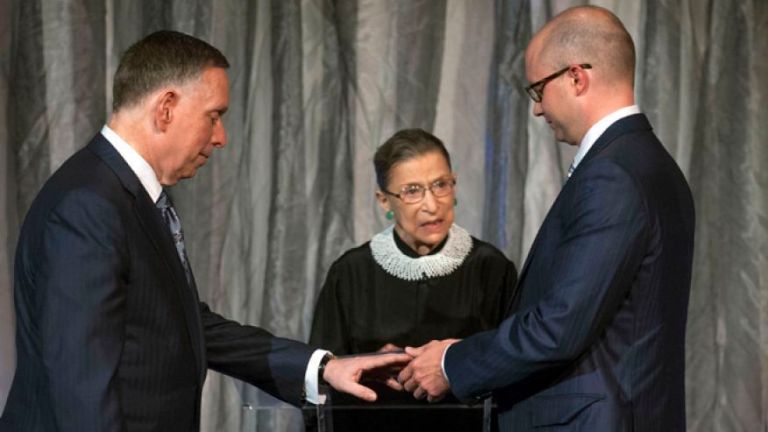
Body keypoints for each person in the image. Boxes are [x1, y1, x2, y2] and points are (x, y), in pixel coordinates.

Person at [0, 30, 410, 432]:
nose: (221, 138)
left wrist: (322, 367)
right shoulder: (88, 206)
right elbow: (81, 391)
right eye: (214, 117)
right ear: (166, 108)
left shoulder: (122, 195)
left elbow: (185, 324)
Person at [398, 6, 695, 432]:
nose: (537, 110)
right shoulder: (654, 165)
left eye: (538, 90)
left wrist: (451, 363)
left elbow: (559, 327)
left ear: (576, 78)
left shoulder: (613, 174)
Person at [307, 128, 518, 431]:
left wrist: (456, 362)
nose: (431, 205)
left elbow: (513, 363)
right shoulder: (351, 272)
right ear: (384, 200)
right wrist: (369, 365)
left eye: (440, 185)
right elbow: (322, 378)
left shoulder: (491, 268)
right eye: (412, 191)